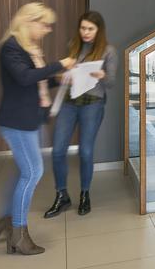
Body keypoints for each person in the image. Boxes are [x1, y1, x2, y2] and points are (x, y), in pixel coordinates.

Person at [0, 2, 75, 255]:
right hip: (18, 122)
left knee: (23, 172)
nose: (48, 30)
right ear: (29, 21)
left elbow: (36, 82)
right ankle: (18, 234)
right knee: (32, 172)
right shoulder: (11, 47)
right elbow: (25, 77)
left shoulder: (29, 49)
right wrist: (60, 64)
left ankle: (5, 220)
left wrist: (58, 79)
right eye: (45, 24)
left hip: (32, 119)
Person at [44, 11, 117, 218]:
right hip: (69, 102)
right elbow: (67, 72)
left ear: (99, 30)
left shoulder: (109, 50)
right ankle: (62, 195)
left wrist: (102, 75)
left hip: (92, 104)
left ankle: (85, 194)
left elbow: (111, 82)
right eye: (83, 28)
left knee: (85, 151)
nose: (86, 32)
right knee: (58, 151)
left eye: (90, 29)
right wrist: (66, 75)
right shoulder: (73, 45)